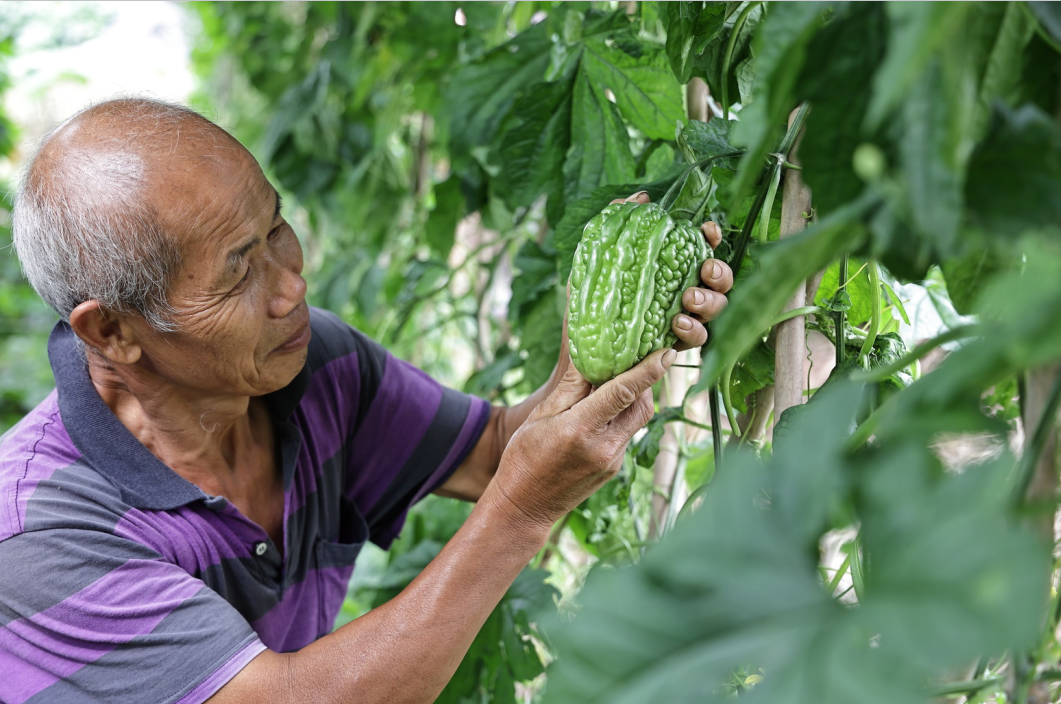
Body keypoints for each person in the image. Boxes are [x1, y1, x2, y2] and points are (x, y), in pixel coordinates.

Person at [0, 98, 733, 704]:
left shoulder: (308, 365)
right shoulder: (35, 535)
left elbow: (491, 453)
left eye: (276, 229)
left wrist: (604, 345)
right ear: (113, 330)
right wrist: (524, 512)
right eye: (237, 273)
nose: (292, 287)